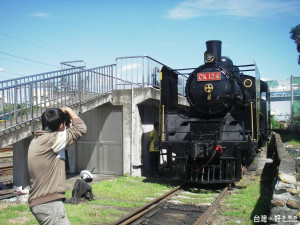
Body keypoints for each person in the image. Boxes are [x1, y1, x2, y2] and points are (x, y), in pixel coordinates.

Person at [27, 107, 87, 225]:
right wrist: (69, 111)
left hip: (42, 202)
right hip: (49, 204)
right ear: (60, 125)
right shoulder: (52, 140)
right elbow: (81, 129)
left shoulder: (39, 139)